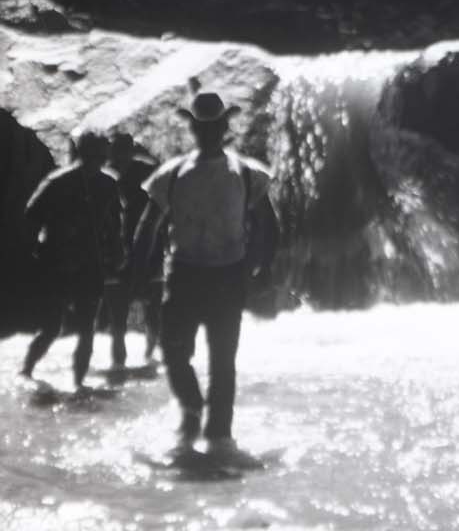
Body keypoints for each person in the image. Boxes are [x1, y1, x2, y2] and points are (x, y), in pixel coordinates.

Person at [129, 83, 278, 459]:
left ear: (225, 128)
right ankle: (193, 406)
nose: (209, 132)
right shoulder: (172, 174)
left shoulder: (247, 173)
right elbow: (148, 225)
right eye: (202, 126)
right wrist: (137, 270)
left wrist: (260, 268)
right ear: (193, 129)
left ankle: (219, 435)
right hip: (183, 275)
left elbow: (268, 224)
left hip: (228, 275)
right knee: (172, 352)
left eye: (215, 126)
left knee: (222, 361)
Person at [21, 128, 125, 389]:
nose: (100, 160)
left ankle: (79, 384)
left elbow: (114, 223)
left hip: (91, 263)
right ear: (82, 153)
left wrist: (118, 252)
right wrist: (37, 249)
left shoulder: (109, 184)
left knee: (88, 327)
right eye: (95, 155)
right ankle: (26, 371)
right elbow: (32, 216)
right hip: (57, 262)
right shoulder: (58, 182)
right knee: (52, 327)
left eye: (103, 155)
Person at [104, 132, 162, 368]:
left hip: (150, 245)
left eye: (125, 150)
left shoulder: (148, 172)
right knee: (118, 306)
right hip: (117, 247)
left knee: (153, 303)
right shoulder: (104, 175)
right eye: (117, 151)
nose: (121, 156)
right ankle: (119, 360)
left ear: (132, 150)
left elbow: (162, 207)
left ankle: (151, 352)